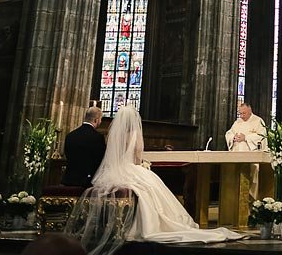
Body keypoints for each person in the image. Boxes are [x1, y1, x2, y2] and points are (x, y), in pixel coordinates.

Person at [65, 104, 243, 254]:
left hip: (112, 171)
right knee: (151, 187)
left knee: (146, 190)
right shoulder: (134, 136)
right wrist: (143, 165)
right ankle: (148, 226)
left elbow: (108, 156)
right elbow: (136, 157)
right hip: (130, 168)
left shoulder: (111, 136)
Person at [62, 106, 105, 188]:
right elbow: (99, 160)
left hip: (68, 180)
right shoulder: (97, 137)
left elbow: (67, 155)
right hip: (87, 181)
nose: (100, 121)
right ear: (96, 120)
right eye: (100, 119)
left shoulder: (70, 135)